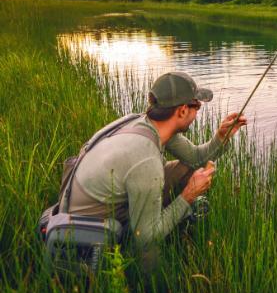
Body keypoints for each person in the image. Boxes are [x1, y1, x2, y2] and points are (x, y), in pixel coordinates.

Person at [67, 71, 246, 250]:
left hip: (105, 201)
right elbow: (144, 238)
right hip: (91, 228)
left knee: (187, 169)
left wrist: (222, 137)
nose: (197, 112)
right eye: (197, 106)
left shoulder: (148, 124)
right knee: (149, 245)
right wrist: (189, 195)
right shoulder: (146, 160)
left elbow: (195, 159)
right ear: (182, 110)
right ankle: (148, 275)